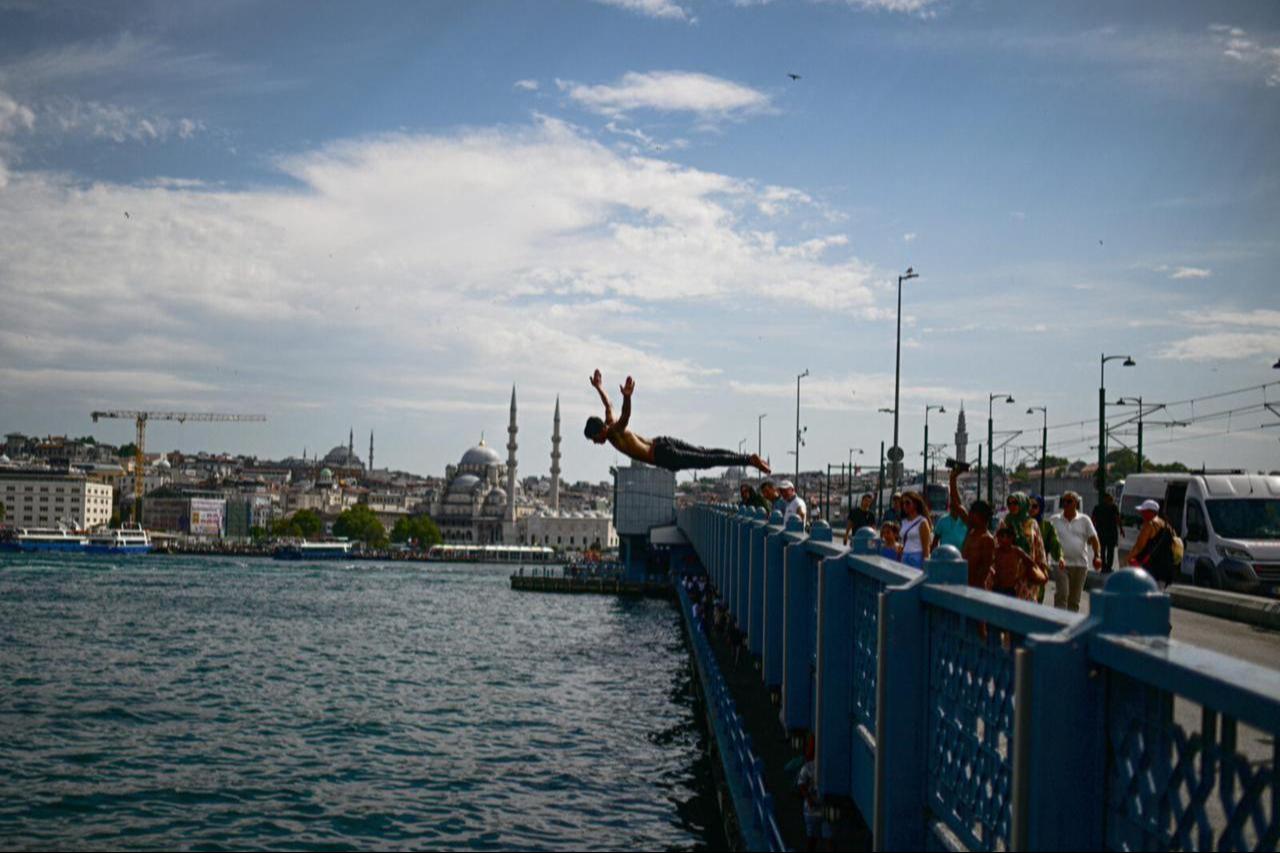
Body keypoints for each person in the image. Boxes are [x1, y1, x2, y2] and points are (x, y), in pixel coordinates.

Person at [585, 369, 770, 473]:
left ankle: (748, 460)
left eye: (594, 438)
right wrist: (599, 387)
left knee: (706, 460)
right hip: (662, 442)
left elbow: (625, 417)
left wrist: (627, 397)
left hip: (662, 454)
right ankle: (749, 458)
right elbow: (608, 403)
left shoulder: (614, 433)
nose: (595, 442)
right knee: (704, 452)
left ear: (600, 431)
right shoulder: (609, 422)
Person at [1048, 491, 1102, 612]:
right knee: (1062, 594)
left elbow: (1094, 539)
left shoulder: (1085, 520)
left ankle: (1071, 626)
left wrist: (1097, 556)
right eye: (1064, 501)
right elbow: (1047, 540)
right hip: (1060, 564)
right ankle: (1058, 622)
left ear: (1076, 503)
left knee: (1074, 599)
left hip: (1080, 565)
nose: (1066, 504)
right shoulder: (1054, 520)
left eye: (1069, 501)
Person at [949, 466, 995, 590]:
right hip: (963, 586)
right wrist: (952, 479)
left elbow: (984, 571)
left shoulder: (987, 540)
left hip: (975, 590)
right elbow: (957, 505)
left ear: (981, 517)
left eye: (973, 514)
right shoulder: (972, 529)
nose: (969, 516)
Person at [796, 733, 832, 852]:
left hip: (823, 807)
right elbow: (801, 784)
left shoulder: (821, 765)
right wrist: (809, 799)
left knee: (827, 838)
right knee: (813, 838)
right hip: (812, 809)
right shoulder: (808, 766)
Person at [1129, 498, 1175, 587]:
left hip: (1152, 569)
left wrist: (1128, 558)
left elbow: (1139, 546)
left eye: (1144, 511)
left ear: (1151, 512)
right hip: (1166, 569)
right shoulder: (1167, 525)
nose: (1141, 513)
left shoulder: (1150, 524)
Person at [990, 525, 1045, 599]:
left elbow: (1030, 562)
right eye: (1000, 536)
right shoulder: (996, 551)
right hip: (997, 587)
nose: (1001, 539)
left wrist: (1021, 575)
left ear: (1011, 538)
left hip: (1010, 588)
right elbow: (987, 563)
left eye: (1004, 536)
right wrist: (993, 573)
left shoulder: (1017, 551)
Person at [1030, 493, 1060, 604]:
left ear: (1041, 507)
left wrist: (1060, 557)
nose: (1031, 509)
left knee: (1037, 598)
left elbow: (1055, 545)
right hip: (1021, 568)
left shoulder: (1047, 526)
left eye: (1034, 506)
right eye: (1028, 505)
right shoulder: (1020, 523)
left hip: (1039, 567)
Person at [897, 490, 933, 569]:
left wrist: (925, 566)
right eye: (903, 503)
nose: (905, 506)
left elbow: (926, 547)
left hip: (917, 557)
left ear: (915, 504)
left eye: (907, 503)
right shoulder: (904, 521)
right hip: (904, 555)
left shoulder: (922, 522)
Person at [1091, 492, 1123, 573]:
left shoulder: (1097, 507)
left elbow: (1093, 520)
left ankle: (1104, 566)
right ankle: (1108, 567)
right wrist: (1121, 529)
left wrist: (1092, 530)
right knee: (1110, 551)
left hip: (1101, 533)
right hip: (1111, 533)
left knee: (1102, 550)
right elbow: (1118, 519)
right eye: (1110, 499)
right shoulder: (1113, 507)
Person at [932, 486, 969, 555]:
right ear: (950, 507)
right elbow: (935, 541)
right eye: (953, 506)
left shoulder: (965, 521)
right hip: (945, 555)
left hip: (961, 556)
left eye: (957, 507)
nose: (955, 509)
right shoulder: (942, 520)